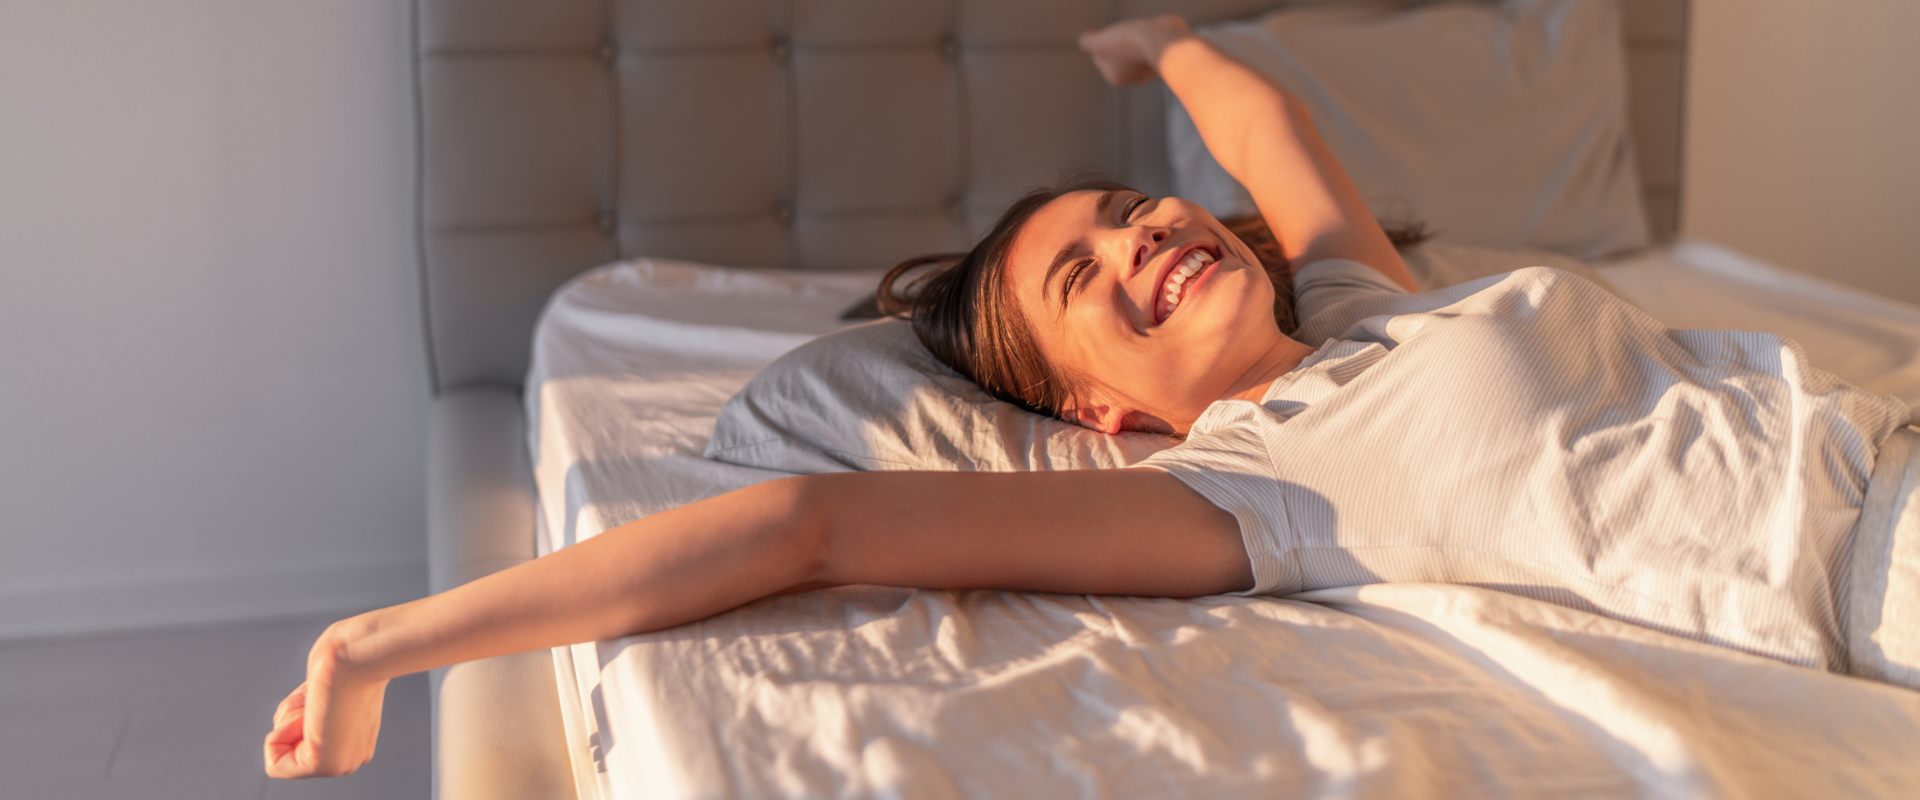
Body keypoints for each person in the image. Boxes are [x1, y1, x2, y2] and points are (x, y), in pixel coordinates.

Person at [264, 16, 1918, 779]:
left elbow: (1269, 135)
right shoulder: (1258, 490)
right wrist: (380, 643)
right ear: (1106, 414)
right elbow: (809, 522)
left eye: (1131, 212)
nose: (1147, 238)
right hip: (1876, 569)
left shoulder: (1354, 309)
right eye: (1091, 282)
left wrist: (1157, 45)